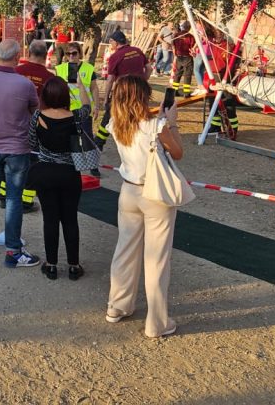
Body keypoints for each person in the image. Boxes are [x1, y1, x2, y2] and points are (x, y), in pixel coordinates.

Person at [105, 74, 184, 338]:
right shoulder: (156, 125)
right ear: (142, 97)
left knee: (124, 251)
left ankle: (117, 305)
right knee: (157, 260)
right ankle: (156, 323)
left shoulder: (115, 123)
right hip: (155, 194)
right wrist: (171, 124)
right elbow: (178, 153)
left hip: (129, 191)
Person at [0, 39, 41, 267]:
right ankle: (13, 250)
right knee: (13, 198)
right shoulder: (24, 84)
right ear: (16, 57)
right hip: (17, 149)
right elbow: (35, 112)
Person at [27, 76, 85, 280]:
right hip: (70, 173)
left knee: (50, 219)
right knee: (70, 219)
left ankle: (51, 264)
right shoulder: (76, 117)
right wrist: (81, 86)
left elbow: (31, 142)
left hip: (46, 173)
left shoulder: (37, 116)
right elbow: (87, 107)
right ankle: (74, 265)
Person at [95, 29, 149, 147]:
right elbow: (149, 68)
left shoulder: (115, 56)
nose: (110, 45)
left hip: (123, 91)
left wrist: (106, 98)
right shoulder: (138, 51)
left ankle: (99, 142)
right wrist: (143, 81)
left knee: (109, 115)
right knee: (138, 115)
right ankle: (138, 141)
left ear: (115, 42)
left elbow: (110, 80)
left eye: (111, 42)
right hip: (140, 91)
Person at [55, 43, 101, 177]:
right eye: (68, 54)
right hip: (67, 109)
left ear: (80, 54)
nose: (71, 56)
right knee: (70, 138)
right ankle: (72, 165)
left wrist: (97, 106)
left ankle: (93, 166)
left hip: (84, 109)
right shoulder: (60, 69)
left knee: (87, 137)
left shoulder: (88, 68)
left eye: (74, 53)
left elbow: (94, 88)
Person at [170, 22, 196, 96]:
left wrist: (175, 53)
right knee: (187, 75)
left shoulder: (176, 35)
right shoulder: (190, 36)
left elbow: (173, 45)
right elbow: (192, 47)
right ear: (189, 28)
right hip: (187, 57)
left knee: (177, 74)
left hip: (179, 57)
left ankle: (174, 91)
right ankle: (186, 93)